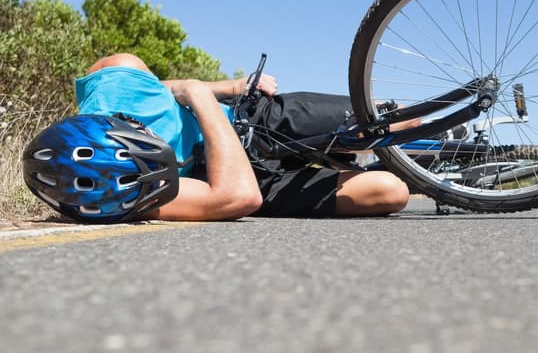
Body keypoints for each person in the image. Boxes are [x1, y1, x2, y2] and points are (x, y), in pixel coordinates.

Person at [23, 53, 409, 222]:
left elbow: (163, 88)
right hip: (246, 177)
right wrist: (201, 99)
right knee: (390, 191)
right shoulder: (116, 195)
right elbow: (239, 197)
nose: (163, 163)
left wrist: (224, 87)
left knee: (390, 120)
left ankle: (454, 131)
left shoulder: (116, 80)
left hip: (252, 119)